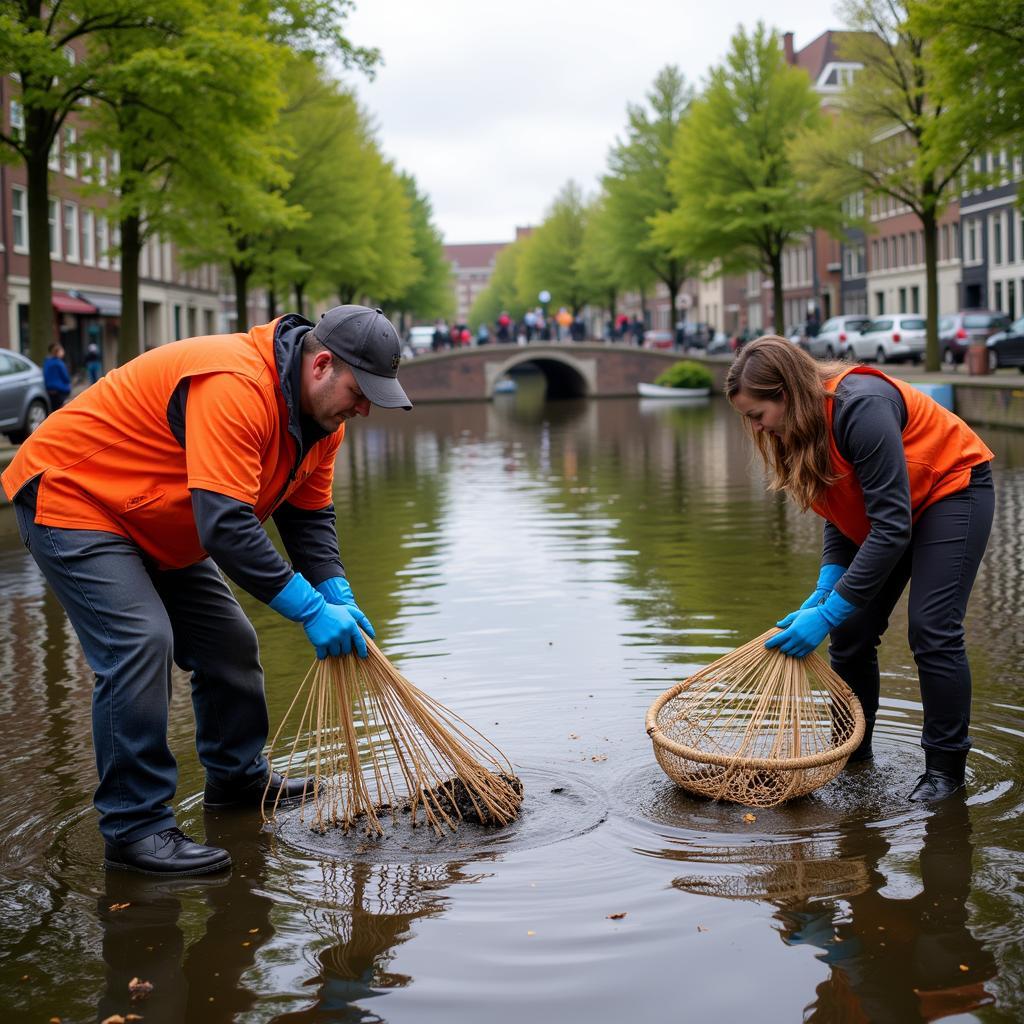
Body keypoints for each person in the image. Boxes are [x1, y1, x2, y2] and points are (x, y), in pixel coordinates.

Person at [2, 305, 412, 876]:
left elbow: (309, 517)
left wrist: (337, 591)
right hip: (76, 497)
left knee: (230, 642)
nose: (365, 407)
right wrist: (310, 610)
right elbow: (225, 524)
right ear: (320, 364)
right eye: (360, 390)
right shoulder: (236, 383)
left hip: (157, 515)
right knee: (140, 641)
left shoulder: (324, 423)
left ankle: (238, 780)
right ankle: (135, 829)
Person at [725, 336, 994, 803]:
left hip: (951, 490)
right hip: (893, 511)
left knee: (932, 629)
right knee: (849, 636)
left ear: (785, 394)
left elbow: (890, 529)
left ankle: (945, 774)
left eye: (757, 415)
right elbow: (841, 508)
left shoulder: (861, 407)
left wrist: (826, 616)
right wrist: (828, 587)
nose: (759, 428)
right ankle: (853, 752)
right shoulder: (797, 427)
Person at [43, 342, 72, 410]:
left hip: (50, 390)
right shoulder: (59, 363)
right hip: (60, 390)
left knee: (53, 409)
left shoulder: (47, 362)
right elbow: (65, 377)